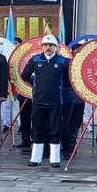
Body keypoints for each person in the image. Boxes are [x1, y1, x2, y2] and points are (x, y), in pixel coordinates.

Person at [21, 34, 69, 168]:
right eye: (46, 45)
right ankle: (35, 158)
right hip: (38, 101)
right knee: (37, 129)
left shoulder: (63, 62)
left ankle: (55, 159)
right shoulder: (35, 60)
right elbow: (24, 75)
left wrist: (57, 86)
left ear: (56, 47)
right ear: (42, 47)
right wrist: (37, 84)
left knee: (55, 129)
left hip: (56, 102)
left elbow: (69, 80)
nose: (48, 48)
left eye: (51, 45)